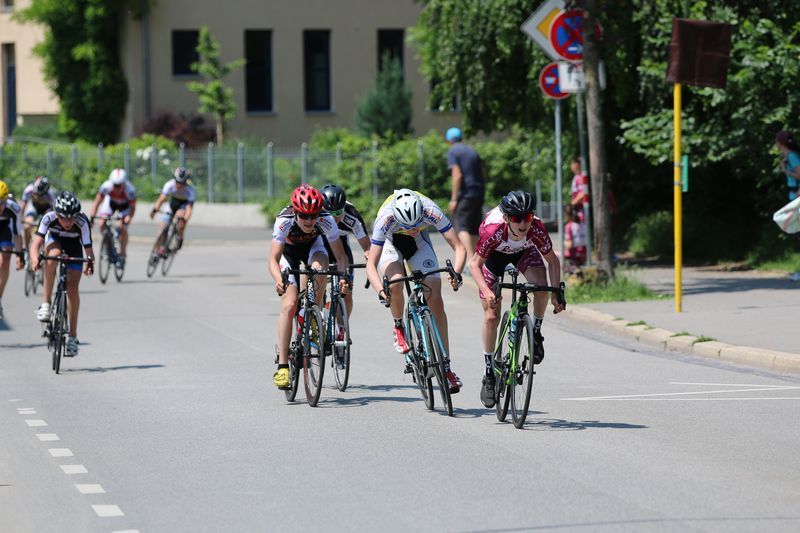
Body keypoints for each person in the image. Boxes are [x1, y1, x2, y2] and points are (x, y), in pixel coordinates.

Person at [469, 191, 565, 408]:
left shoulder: (536, 228)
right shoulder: (493, 229)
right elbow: (474, 265)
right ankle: (489, 373)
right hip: (494, 256)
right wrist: (487, 291)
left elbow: (553, 261)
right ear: (506, 218)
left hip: (524, 252)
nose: (523, 223)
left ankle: (535, 333)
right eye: (516, 218)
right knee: (491, 315)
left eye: (527, 217)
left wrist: (555, 293)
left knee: (540, 288)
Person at [365, 188, 467, 393]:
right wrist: (381, 291)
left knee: (436, 299)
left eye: (416, 224)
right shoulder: (385, 218)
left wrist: (456, 273)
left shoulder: (431, 210)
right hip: (391, 242)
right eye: (407, 225)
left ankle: (446, 367)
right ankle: (399, 326)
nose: (412, 228)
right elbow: (371, 265)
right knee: (395, 283)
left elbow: (459, 247)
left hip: (419, 242)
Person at [268, 184, 351, 389]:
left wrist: (344, 278)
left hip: (313, 248)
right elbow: (273, 258)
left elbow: (340, 256)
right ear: (295, 212)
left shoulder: (326, 219)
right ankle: (283, 366)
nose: (309, 220)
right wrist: (278, 279)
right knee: (289, 304)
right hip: (288, 253)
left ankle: (312, 312)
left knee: (321, 269)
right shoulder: (284, 220)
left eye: (313, 216)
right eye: (304, 216)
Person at [30, 192, 94, 357]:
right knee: (53, 257)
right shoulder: (48, 218)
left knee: (72, 288)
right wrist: (35, 259)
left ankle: (72, 336)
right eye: (64, 218)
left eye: (72, 218)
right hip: (54, 241)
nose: (68, 222)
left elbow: (88, 251)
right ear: (57, 214)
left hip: (74, 247)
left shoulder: (82, 222)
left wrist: (89, 264)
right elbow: (35, 244)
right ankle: (46, 303)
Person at [319, 184, 371, 318]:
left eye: (338, 213)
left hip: (341, 245)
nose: (333, 218)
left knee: (347, 291)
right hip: (320, 243)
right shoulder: (316, 214)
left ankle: (341, 326)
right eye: (329, 214)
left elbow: (367, 247)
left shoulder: (352, 215)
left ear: (344, 209)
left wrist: (370, 261)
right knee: (316, 281)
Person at [446, 127, 485, 254]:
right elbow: (482, 171)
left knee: (461, 227)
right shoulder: (472, 151)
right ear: (461, 138)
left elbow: (457, 175)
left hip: (466, 194)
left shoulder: (453, 151)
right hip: (479, 192)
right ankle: (477, 259)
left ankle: (470, 259)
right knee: (474, 228)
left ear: (449, 141)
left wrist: (453, 199)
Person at [88, 168, 137, 265]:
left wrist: (129, 217)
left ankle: (122, 254)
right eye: (115, 185)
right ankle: (107, 247)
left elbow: (132, 207)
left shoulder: (130, 190)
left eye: (119, 186)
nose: (116, 188)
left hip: (124, 207)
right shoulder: (106, 186)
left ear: (124, 184)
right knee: (102, 223)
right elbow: (97, 202)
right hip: (111, 203)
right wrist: (92, 217)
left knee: (122, 228)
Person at [150, 167, 195, 250]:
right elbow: (161, 200)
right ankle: (157, 249)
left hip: (183, 205)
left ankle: (180, 237)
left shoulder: (190, 190)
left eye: (182, 183)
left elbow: (189, 209)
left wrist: (184, 220)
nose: (180, 185)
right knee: (163, 226)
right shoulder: (169, 185)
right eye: (178, 182)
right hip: (172, 204)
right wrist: (154, 210)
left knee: (181, 219)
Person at [0, 180, 25, 318]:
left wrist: (20, 256)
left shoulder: (14, 208)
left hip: (4, 228)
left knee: (5, 260)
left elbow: (17, 234)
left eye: (1, 203)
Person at [19, 176, 56, 246]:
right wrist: (19, 218)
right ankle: (26, 247)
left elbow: (54, 211)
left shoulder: (51, 194)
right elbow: (23, 205)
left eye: (39, 194)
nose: (36, 196)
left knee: (46, 228)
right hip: (34, 207)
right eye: (35, 193)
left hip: (46, 209)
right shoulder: (29, 189)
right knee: (27, 226)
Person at [776, 131, 800, 201]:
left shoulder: (792, 156)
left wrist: (785, 170)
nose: (776, 144)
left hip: (797, 195)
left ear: (781, 143)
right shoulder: (786, 156)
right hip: (794, 195)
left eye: (776, 141)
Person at [563, 205, 587, 272]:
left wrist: (564, 242)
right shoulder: (583, 224)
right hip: (583, 255)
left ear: (567, 215)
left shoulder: (569, 226)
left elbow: (569, 245)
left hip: (573, 257)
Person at [570, 156, 590, 223]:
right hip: (578, 212)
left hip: (583, 212)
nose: (571, 166)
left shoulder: (582, 177)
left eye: (572, 163)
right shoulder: (576, 177)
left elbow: (584, 193)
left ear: (578, 164)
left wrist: (572, 204)